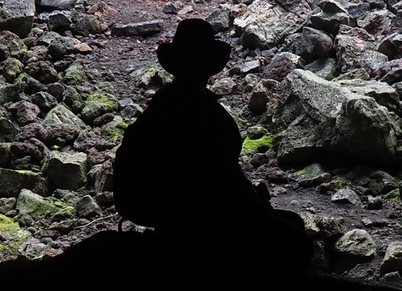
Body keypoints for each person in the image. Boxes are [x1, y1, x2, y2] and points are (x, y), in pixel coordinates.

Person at [110, 19, 310, 266]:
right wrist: (255, 206)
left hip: (161, 211)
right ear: (209, 66)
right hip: (202, 213)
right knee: (297, 238)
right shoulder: (207, 114)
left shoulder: (161, 106)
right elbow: (225, 181)